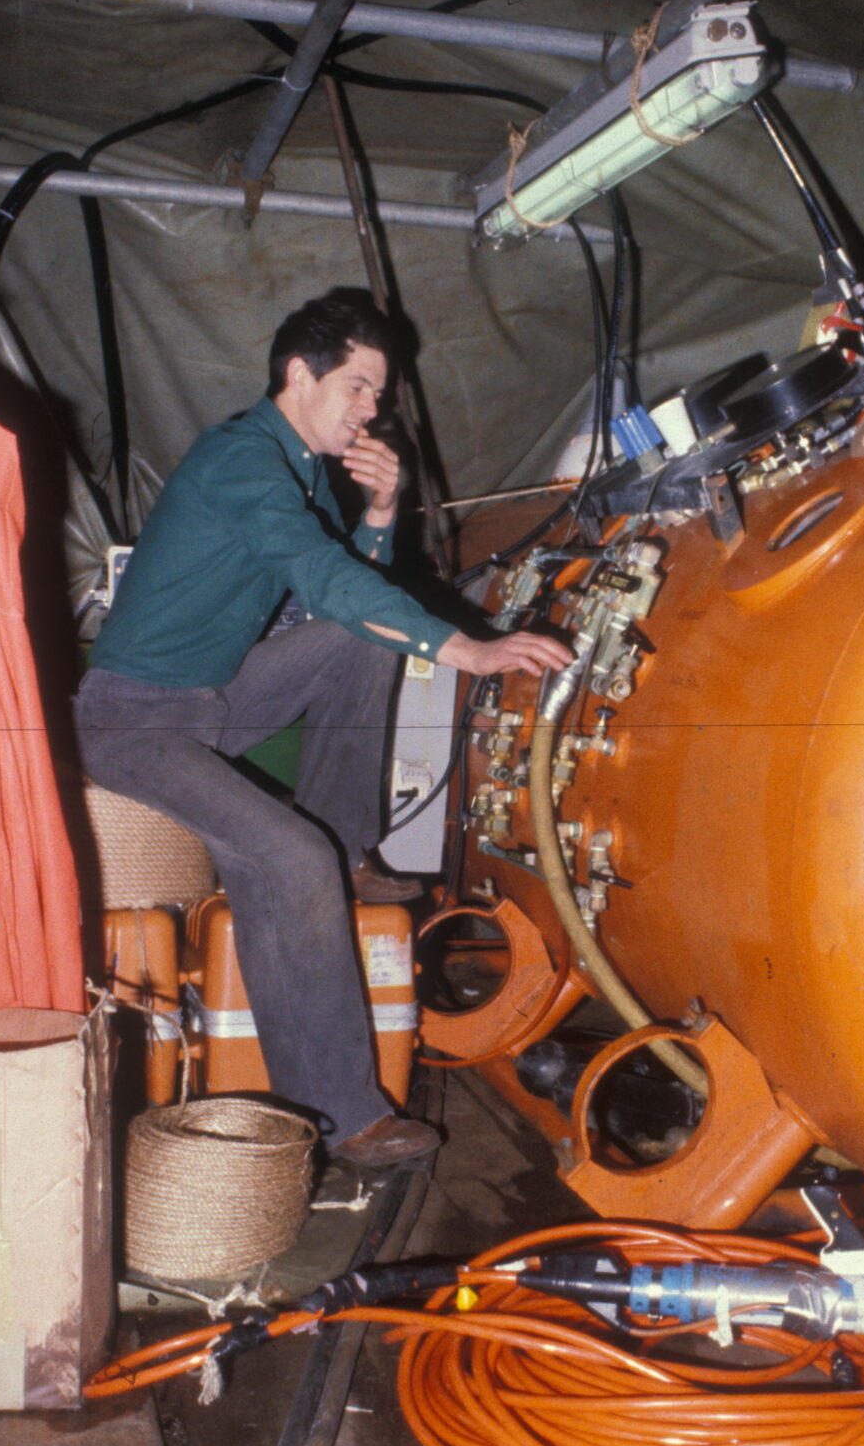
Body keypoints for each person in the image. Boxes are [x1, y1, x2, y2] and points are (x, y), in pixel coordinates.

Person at [76, 290, 570, 1166]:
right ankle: (346, 1116)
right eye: (358, 387)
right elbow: (327, 577)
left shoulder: (300, 469)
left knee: (357, 639)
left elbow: (338, 595)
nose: (371, 409)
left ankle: (347, 845)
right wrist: (470, 648)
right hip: (130, 719)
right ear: (300, 375)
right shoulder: (243, 459)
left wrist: (379, 513)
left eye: (378, 393)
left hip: (213, 698)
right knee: (287, 856)